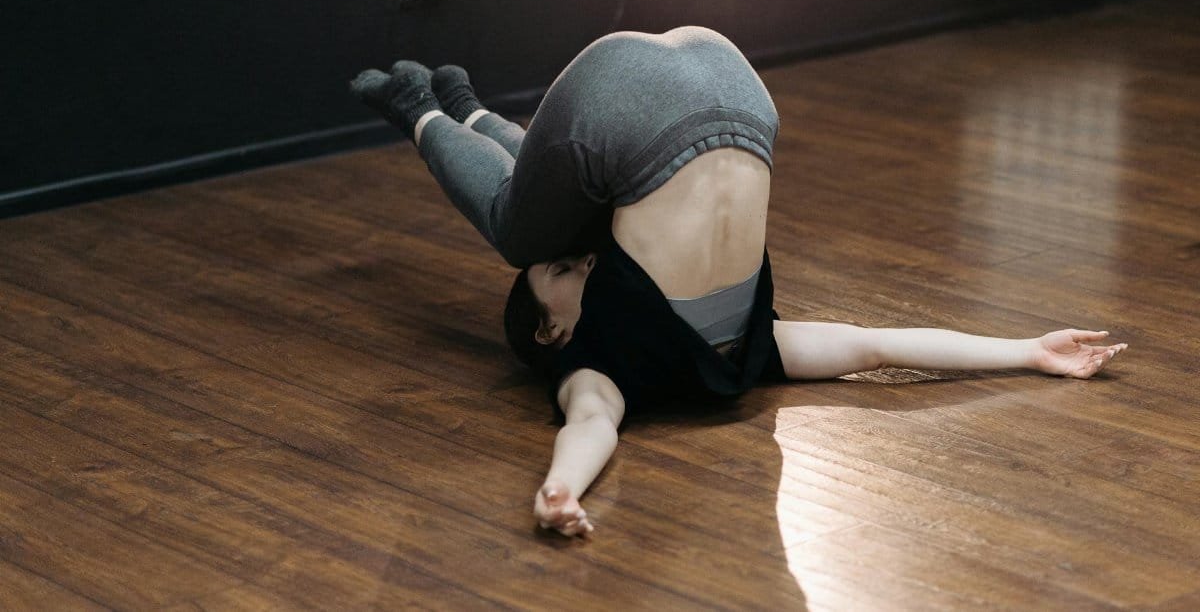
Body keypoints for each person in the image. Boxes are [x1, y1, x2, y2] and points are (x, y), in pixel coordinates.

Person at [351, 27, 1127, 538]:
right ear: (551, 332)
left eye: (561, 269)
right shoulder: (612, 368)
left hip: (706, 96)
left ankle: (427, 108)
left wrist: (561, 488)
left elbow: (588, 431)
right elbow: (874, 346)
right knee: (534, 226)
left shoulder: (675, 351)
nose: (573, 261)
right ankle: (456, 109)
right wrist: (1027, 350)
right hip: (723, 76)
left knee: (530, 227)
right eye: (558, 275)